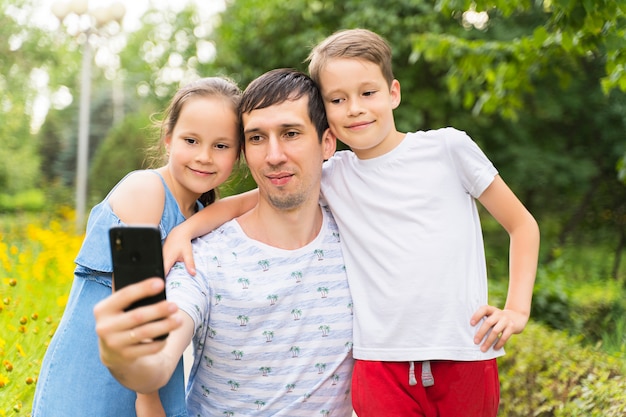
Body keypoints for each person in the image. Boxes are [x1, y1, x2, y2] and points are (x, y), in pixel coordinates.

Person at [164, 29, 541, 416]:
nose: (355, 108)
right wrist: (187, 229)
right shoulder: (334, 174)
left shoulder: (448, 148)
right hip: (380, 359)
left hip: (464, 348)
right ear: (327, 115)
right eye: (338, 100)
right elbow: (253, 199)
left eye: (368, 93)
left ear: (393, 92)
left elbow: (522, 225)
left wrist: (516, 309)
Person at [94, 68, 354, 416]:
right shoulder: (201, 258)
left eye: (291, 133)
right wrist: (128, 358)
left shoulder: (358, 231)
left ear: (327, 143)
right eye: (257, 138)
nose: (274, 155)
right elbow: (158, 361)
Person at [32, 76, 243, 417]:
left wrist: (188, 227)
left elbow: (252, 201)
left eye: (221, 146)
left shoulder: (201, 216)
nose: (204, 156)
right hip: (100, 378)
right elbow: (134, 309)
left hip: (155, 373)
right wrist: (148, 401)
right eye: (192, 140)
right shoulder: (147, 190)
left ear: (238, 153)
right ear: (168, 139)